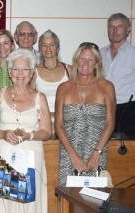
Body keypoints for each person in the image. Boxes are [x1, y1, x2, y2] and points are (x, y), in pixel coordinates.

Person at [0, 48, 51, 213]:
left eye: (25, 69)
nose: (20, 73)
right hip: (3, 156)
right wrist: (2, 134)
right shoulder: (0, 94)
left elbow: (47, 132)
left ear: (32, 72)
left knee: (27, 204)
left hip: (30, 157)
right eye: (16, 69)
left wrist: (30, 135)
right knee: (2, 204)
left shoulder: (39, 98)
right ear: (9, 71)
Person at [55, 42, 116, 187]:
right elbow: (58, 125)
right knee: (67, 198)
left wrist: (97, 153)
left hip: (96, 152)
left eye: (90, 59)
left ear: (97, 64)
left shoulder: (107, 87)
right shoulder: (63, 88)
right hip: (69, 152)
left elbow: (110, 123)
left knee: (93, 198)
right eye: (82, 59)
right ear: (76, 61)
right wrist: (72, 155)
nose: (85, 63)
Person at [30, 30, 72, 132]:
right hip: (42, 122)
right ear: (40, 49)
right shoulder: (34, 72)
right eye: (44, 45)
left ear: (58, 48)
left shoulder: (69, 70)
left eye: (52, 45)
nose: (48, 48)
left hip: (67, 121)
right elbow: (30, 99)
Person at [100, 13, 135, 133]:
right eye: (111, 27)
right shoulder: (100, 53)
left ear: (128, 30)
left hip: (128, 110)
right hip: (102, 109)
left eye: (119, 26)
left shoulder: (133, 54)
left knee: (127, 149)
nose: (115, 31)